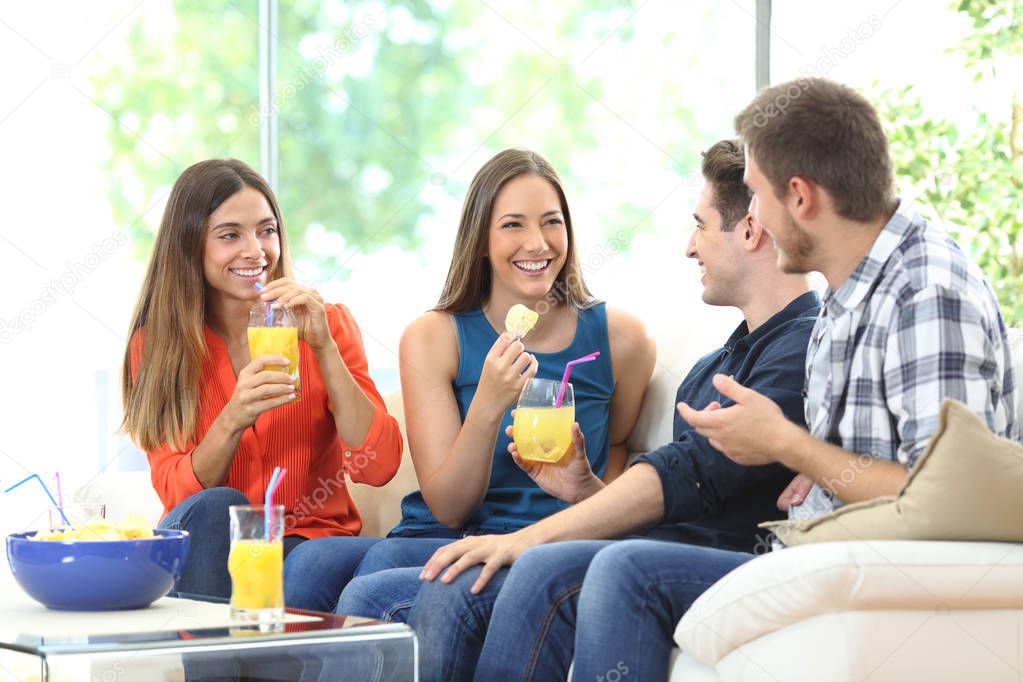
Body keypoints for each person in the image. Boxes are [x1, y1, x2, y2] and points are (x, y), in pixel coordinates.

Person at [419, 78, 1017, 680]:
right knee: (560, 570)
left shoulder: (924, 291)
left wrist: (790, 446)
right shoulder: (847, 299)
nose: (751, 219)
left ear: (800, 198)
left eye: (755, 197)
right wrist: (816, 465)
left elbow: (944, 496)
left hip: (854, 564)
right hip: (811, 547)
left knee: (601, 571)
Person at [340, 138, 821, 681]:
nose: (690, 247)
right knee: (373, 584)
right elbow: (677, 489)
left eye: (701, 225)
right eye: (513, 225)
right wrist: (585, 489)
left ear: (752, 230)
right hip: (648, 546)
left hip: (710, 562)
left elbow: (693, 474)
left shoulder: (803, 347)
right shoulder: (720, 360)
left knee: (477, 583)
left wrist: (528, 536)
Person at [327, 148, 656, 619]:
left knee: (369, 591)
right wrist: (488, 402)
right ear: (480, 240)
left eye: (551, 222)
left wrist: (587, 519)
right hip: (444, 532)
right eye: (513, 225)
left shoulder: (623, 341)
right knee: (315, 571)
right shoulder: (433, 337)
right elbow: (449, 510)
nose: (538, 243)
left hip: (545, 543)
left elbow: (618, 451)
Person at [121, 158, 402, 607]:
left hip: (312, 543)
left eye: (266, 230)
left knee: (303, 567)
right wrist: (232, 419)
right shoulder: (157, 347)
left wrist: (325, 349)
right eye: (230, 235)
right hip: (214, 552)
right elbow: (179, 499)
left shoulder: (326, 325)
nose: (256, 250)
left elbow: (378, 464)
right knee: (215, 509)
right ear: (190, 245)